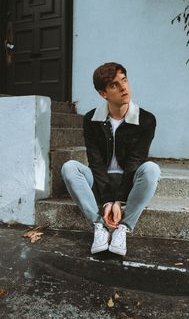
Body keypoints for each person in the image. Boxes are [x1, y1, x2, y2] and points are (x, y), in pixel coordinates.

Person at [61, 62, 161, 256]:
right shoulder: (91, 119)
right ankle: (99, 226)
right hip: (100, 181)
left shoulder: (146, 119)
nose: (124, 87)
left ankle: (123, 228)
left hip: (130, 180)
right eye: (114, 85)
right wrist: (107, 201)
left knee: (151, 170)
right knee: (69, 167)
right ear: (103, 93)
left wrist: (119, 201)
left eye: (124, 80)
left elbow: (135, 161)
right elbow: (95, 161)